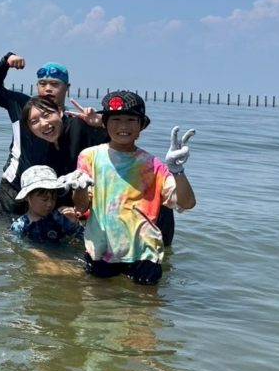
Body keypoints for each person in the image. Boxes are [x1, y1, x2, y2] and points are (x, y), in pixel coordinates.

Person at [70, 91, 197, 286]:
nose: (123, 126)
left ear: (141, 127)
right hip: (101, 250)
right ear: (104, 124)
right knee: (95, 301)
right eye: (116, 119)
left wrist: (177, 170)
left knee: (145, 304)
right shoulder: (89, 157)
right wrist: (79, 189)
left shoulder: (153, 165)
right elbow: (80, 207)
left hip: (145, 253)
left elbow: (187, 203)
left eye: (131, 120)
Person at [0, 53, 101, 214]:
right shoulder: (22, 105)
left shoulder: (76, 121)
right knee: (5, 230)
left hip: (51, 195)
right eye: (42, 84)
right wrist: (6, 61)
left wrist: (100, 123)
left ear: (67, 87)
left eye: (55, 84)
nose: (48, 88)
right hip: (14, 188)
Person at [15, 95, 107, 211]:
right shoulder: (47, 149)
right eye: (34, 121)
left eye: (47, 115)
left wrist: (102, 122)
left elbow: (119, 141)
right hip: (79, 207)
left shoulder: (78, 127)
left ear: (60, 112)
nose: (43, 123)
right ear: (30, 129)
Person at [9, 165, 84, 243]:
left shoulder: (59, 219)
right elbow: (17, 246)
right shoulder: (20, 226)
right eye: (44, 199)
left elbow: (82, 237)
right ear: (27, 197)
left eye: (53, 199)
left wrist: (75, 223)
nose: (49, 204)